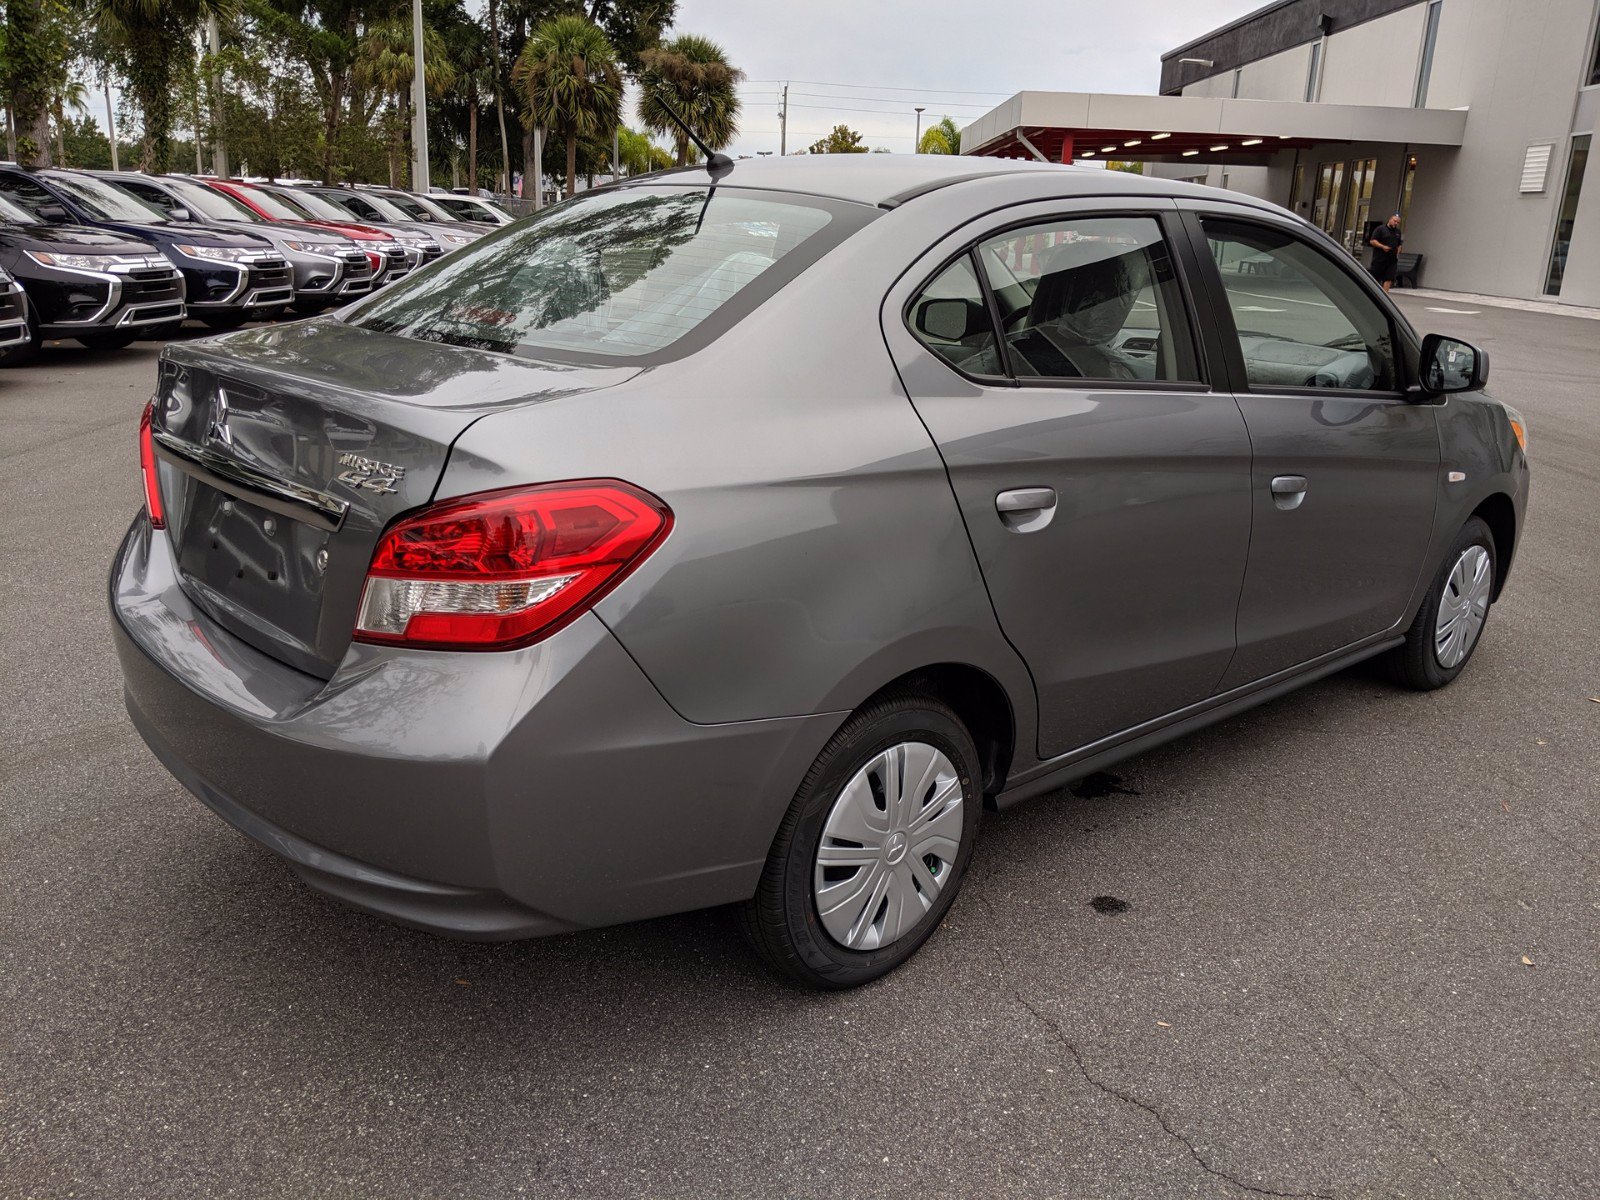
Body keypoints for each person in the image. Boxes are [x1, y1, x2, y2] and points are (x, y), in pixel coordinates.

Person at [1369, 214, 1404, 292]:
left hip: (1392, 260)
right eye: (1395, 221)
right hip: (1379, 259)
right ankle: (1373, 293)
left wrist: (1398, 250)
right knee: (1375, 278)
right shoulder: (1380, 229)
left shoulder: (1398, 232)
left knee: (1389, 278)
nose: (1396, 223)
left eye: (1398, 222)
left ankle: (1385, 296)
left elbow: (1399, 244)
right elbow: (1372, 241)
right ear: (1390, 219)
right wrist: (1382, 247)